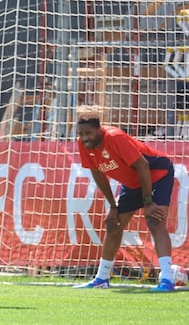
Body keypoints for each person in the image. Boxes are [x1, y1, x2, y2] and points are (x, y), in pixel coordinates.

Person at [73, 107, 176, 292]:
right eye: (81, 133)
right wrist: (113, 206)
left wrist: (148, 202)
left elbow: (143, 165)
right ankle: (102, 278)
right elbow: (97, 173)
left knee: (154, 220)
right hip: (133, 182)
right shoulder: (83, 144)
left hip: (157, 174)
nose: (85, 137)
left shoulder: (114, 137)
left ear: (99, 129)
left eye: (88, 133)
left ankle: (167, 280)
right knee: (114, 224)